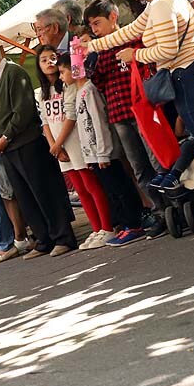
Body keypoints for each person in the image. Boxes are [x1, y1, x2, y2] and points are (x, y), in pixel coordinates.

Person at [86, 0, 194, 188]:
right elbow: (132, 31)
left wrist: (134, 55)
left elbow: (166, 51)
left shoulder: (160, 4)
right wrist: (91, 46)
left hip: (190, 76)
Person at [0, 38, 78, 258]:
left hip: (26, 143)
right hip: (7, 148)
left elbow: (23, 110)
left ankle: (63, 237)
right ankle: (43, 239)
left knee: (44, 191)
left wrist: (6, 136)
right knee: (25, 196)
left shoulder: (13, 72)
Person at [84, 0, 166, 235]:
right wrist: (90, 59)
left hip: (142, 107)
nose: (95, 30)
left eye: (97, 23)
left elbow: (148, 64)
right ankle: (159, 211)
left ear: (113, 16)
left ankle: (176, 205)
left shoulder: (132, 37)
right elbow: (98, 81)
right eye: (92, 26)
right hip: (119, 114)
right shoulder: (99, 50)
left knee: (156, 159)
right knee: (139, 166)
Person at [58, 54, 146, 245]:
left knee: (119, 187)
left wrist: (103, 151)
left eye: (63, 71)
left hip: (103, 152)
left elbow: (99, 122)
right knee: (111, 190)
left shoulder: (89, 90)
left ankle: (134, 223)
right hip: (93, 154)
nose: (61, 76)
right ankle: (124, 224)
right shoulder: (79, 92)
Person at [33, 45, 114, 249]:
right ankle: (96, 228)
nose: (49, 63)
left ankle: (107, 227)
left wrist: (59, 143)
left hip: (75, 140)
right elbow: (45, 120)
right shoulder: (42, 93)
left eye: (53, 58)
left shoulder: (69, 85)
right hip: (59, 147)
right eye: (44, 60)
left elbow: (71, 115)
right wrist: (54, 146)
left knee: (90, 184)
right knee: (79, 188)